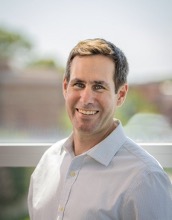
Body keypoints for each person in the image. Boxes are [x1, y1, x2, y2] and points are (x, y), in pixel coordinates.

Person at [28, 38, 172, 220]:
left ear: (120, 95)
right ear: (65, 88)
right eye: (79, 84)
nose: (86, 98)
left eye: (98, 86)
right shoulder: (47, 162)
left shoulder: (145, 178)